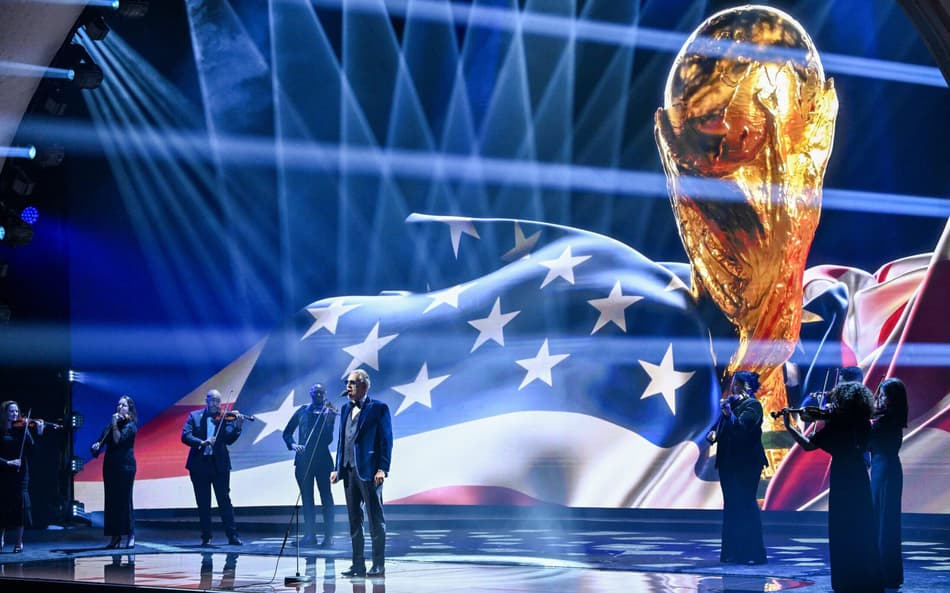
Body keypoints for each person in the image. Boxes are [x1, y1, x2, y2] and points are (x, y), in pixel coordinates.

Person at [783, 382, 884, 593]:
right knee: (862, 525)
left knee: (842, 527)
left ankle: (846, 579)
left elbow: (808, 445)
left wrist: (789, 426)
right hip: (859, 474)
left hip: (842, 476)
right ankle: (867, 577)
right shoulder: (864, 423)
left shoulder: (837, 425)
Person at [330, 369, 393, 578]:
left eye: (353, 383)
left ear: (365, 385)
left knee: (375, 520)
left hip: (369, 471)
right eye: (347, 382)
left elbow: (386, 440)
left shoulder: (379, 408)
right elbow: (342, 441)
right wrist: (338, 469)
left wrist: (383, 468)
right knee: (354, 521)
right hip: (348, 471)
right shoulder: (345, 408)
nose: (348, 387)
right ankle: (358, 565)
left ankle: (378, 565)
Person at [706, 370, 768, 565]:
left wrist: (729, 414)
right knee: (732, 506)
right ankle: (732, 553)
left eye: (737, 384)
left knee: (745, 504)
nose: (733, 387)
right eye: (733, 384)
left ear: (746, 386)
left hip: (746, 463)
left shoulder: (753, 405)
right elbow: (719, 428)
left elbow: (743, 429)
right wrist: (713, 434)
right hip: (728, 462)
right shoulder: (730, 405)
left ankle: (753, 553)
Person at [181, 389, 244, 546]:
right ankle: (206, 537)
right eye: (213, 400)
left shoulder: (225, 418)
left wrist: (237, 427)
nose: (216, 404)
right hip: (199, 465)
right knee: (203, 502)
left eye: (218, 401)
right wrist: (201, 442)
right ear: (207, 401)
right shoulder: (194, 417)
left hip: (219, 465)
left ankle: (232, 536)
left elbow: (229, 439)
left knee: (224, 501)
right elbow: (185, 435)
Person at [283, 382, 338, 547]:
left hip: (322, 461)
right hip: (303, 461)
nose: (319, 395)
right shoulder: (302, 411)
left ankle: (329, 537)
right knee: (307, 499)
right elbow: (287, 433)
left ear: (325, 394)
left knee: (326, 498)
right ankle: (309, 536)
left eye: (321, 393)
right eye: (316, 392)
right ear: (311, 393)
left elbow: (328, 439)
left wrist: (329, 422)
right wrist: (293, 445)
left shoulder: (328, 412)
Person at [870, 378, 907, 589]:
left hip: (885, 472)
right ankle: (887, 572)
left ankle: (886, 573)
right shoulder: (889, 419)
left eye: (883, 396)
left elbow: (865, 442)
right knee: (883, 522)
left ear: (892, 399)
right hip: (883, 470)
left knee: (885, 523)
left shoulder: (887, 421)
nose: (879, 400)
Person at [91, 395, 138, 549]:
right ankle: (115, 537)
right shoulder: (110, 426)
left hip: (126, 466)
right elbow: (101, 443)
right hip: (111, 466)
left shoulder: (130, 425)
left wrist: (115, 425)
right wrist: (96, 447)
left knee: (125, 500)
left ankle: (131, 534)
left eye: (123, 405)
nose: (119, 408)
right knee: (111, 501)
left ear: (129, 408)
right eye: (118, 405)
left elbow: (118, 440)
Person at [0, 401, 45, 553]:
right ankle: (1, 538)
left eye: (16, 411)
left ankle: (19, 542)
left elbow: (33, 451)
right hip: (4, 472)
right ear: (5, 413)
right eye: (11, 411)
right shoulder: (1, 431)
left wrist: (38, 433)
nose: (14, 414)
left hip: (20, 474)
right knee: (3, 506)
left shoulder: (23, 429)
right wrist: (8, 462)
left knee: (20, 506)